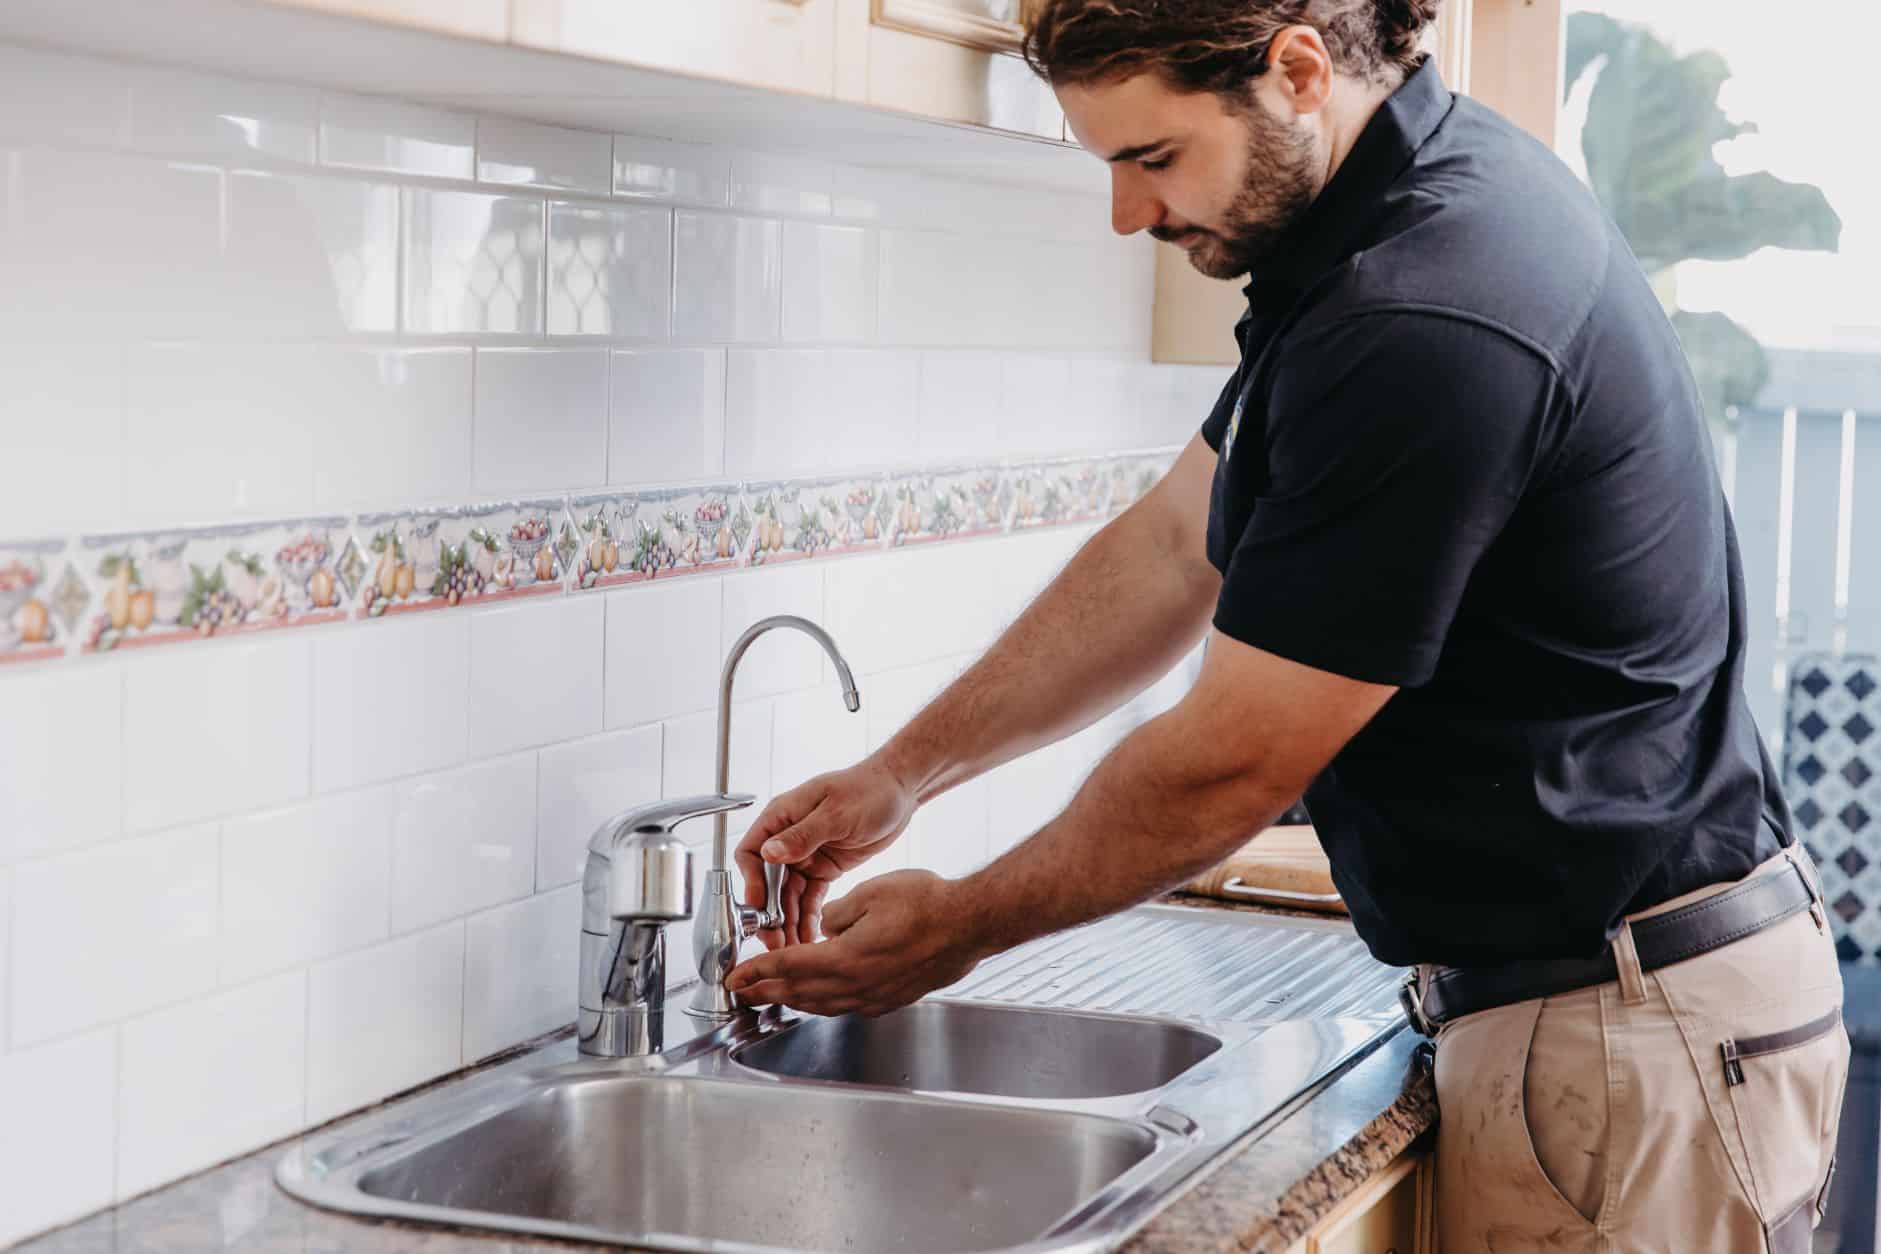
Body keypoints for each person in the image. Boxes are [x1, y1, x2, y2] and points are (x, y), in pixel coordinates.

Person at [724, 1, 1851, 1248]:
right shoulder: (1383, 220)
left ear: (1298, 71)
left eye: (1150, 159)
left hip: (1633, 1043)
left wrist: (961, 926)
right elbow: (1169, 549)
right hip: (1632, 1011)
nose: (1129, 215)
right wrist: (902, 772)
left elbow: (1231, 762)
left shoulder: (1422, 313)